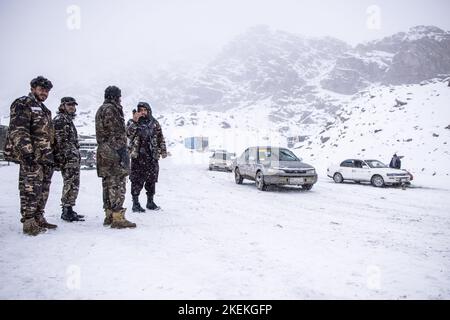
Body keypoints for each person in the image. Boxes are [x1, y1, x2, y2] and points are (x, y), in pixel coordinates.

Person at [4, 76, 57, 235]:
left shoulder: (45, 110)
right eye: (41, 89)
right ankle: (29, 221)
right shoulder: (23, 103)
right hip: (32, 155)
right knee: (30, 188)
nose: (44, 93)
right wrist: (26, 152)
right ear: (33, 88)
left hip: (45, 156)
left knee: (43, 188)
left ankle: (39, 217)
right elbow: (19, 130)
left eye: (47, 90)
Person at [95, 86, 136, 229]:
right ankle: (118, 218)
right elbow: (117, 133)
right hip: (114, 153)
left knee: (108, 184)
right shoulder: (112, 109)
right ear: (115, 97)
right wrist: (122, 154)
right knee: (117, 184)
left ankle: (109, 215)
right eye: (119, 96)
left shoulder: (101, 109)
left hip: (104, 152)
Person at [126, 102, 167, 212]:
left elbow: (160, 137)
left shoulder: (154, 123)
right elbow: (128, 134)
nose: (143, 112)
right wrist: (134, 121)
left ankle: (150, 201)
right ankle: (135, 203)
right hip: (138, 157)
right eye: (141, 110)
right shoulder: (133, 122)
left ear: (149, 110)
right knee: (136, 180)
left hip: (151, 156)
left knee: (151, 179)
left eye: (145, 110)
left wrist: (163, 151)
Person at [53, 97, 84, 222]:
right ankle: (66, 211)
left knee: (73, 184)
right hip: (67, 159)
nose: (72, 107)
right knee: (70, 183)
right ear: (62, 106)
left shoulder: (67, 120)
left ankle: (69, 208)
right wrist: (68, 156)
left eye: (73, 105)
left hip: (72, 158)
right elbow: (60, 142)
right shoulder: (60, 120)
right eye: (69, 105)